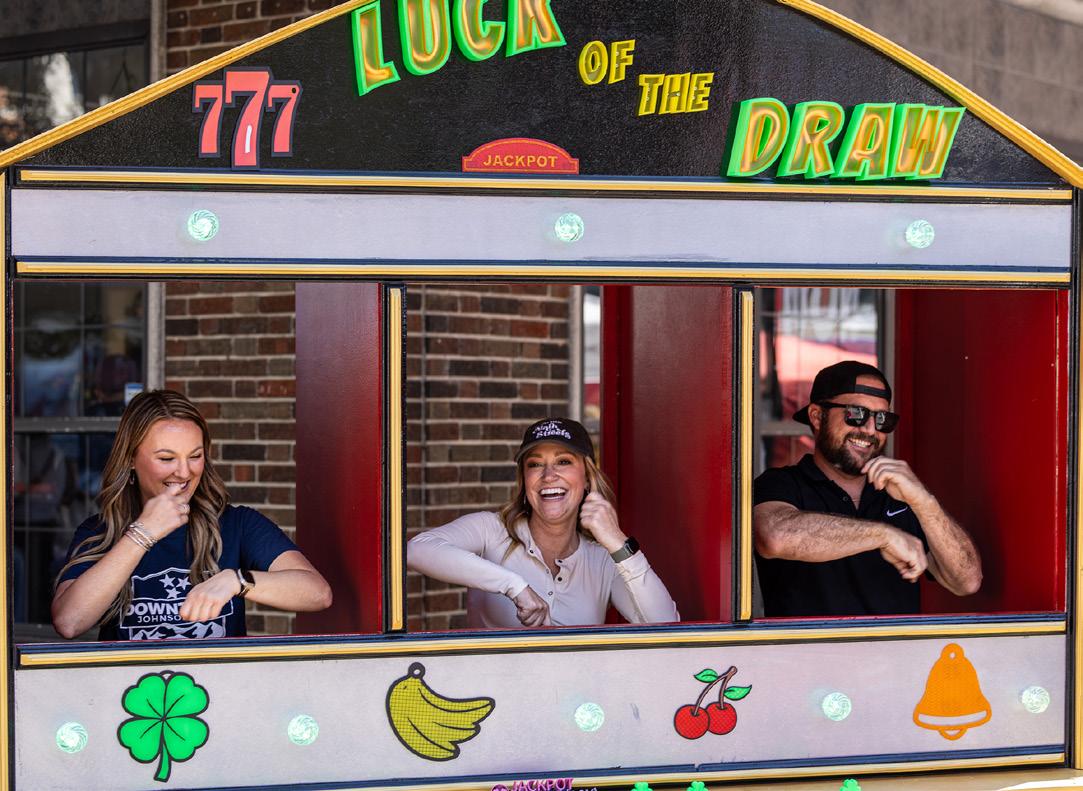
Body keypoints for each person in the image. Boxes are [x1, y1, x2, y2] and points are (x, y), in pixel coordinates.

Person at [52, 390, 332, 640]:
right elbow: (69, 622)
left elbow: (317, 593)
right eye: (166, 458)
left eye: (195, 456)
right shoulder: (98, 531)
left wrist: (236, 580)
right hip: (135, 683)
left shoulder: (237, 524)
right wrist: (142, 534)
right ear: (130, 460)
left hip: (218, 682)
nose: (184, 472)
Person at [753, 360, 981, 617]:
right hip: (810, 645)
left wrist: (924, 503)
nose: (870, 430)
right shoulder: (781, 484)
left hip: (896, 646)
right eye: (856, 414)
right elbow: (774, 537)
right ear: (817, 416)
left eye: (882, 419)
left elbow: (967, 581)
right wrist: (884, 536)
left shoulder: (902, 496)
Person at [408, 418, 678, 628]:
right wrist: (515, 586)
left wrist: (619, 543)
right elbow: (416, 550)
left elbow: (667, 625)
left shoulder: (603, 559)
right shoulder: (491, 530)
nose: (549, 475)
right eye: (535, 464)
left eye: (563, 461)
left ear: (586, 477)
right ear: (524, 481)